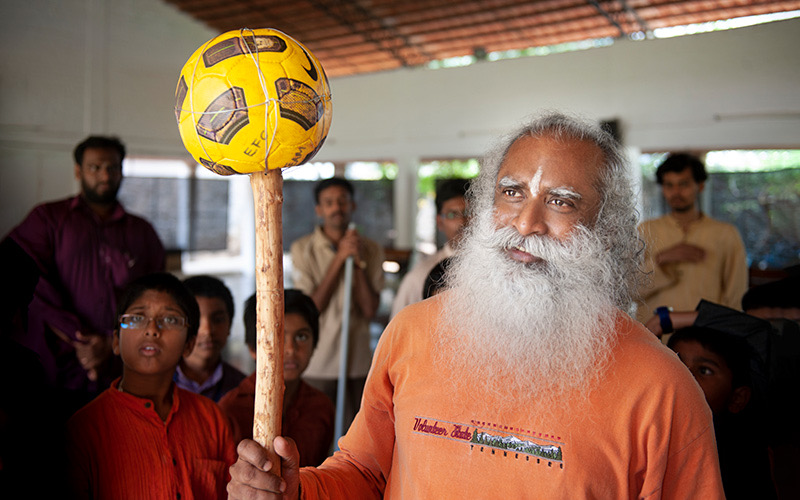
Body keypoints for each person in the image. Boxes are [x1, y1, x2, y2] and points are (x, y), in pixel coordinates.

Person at [227, 112, 724, 498]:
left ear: (608, 231)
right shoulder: (411, 334)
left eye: (562, 201)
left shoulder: (662, 388)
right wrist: (298, 492)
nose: (526, 222)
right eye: (511, 192)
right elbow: (364, 472)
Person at [6, 135, 165, 408]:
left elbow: (157, 298)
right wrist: (79, 337)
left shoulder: (142, 232)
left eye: (112, 168)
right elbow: (19, 276)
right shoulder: (48, 219)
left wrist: (110, 341)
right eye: (95, 167)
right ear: (78, 170)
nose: (105, 175)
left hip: (122, 369)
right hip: (54, 369)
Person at [66, 272, 235, 500]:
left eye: (170, 319)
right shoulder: (84, 429)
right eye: (137, 318)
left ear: (189, 344)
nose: (153, 329)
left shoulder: (212, 418)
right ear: (116, 341)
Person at [289, 177, 385, 429]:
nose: (336, 208)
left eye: (342, 201)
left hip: (357, 363)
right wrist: (340, 259)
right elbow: (310, 309)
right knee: (316, 434)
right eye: (329, 202)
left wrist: (357, 261)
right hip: (318, 363)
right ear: (319, 210)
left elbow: (370, 309)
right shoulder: (302, 249)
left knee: (353, 436)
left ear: (352, 205)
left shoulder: (372, 250)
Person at [218, 289, 335, 467]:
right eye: (277, 337)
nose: (290, 349)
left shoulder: (322, 407)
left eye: (301, 337)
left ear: (315, 344)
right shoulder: (230, 408)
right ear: (252, 348)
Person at [636, 152, 747, 324]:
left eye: (684, 184)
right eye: (669, 185)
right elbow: (631, 290)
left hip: (707, 338)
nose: (676, 192)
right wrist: (663, 258)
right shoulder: (645, 230)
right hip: (655, 340)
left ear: (700, 186)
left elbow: (736, 296)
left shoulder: (725, 234)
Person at [668, 326, 777, 499]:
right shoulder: (651, 434)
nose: (685, 376)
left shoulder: (743, 461)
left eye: (704, 370)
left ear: (737, 399)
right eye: (676, 364)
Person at [390, 178, 469, 318]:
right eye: (452, 215)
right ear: (439, 222)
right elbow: (400, 329)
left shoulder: (500, 269)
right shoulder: (420, 276)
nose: (462, 221)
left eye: (469, 212)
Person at [175, 275, 246, 402]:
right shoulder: (157, 384)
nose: (207, 331)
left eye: (218, 320)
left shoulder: (243, 389)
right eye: (196, 320)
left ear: (229, 325)